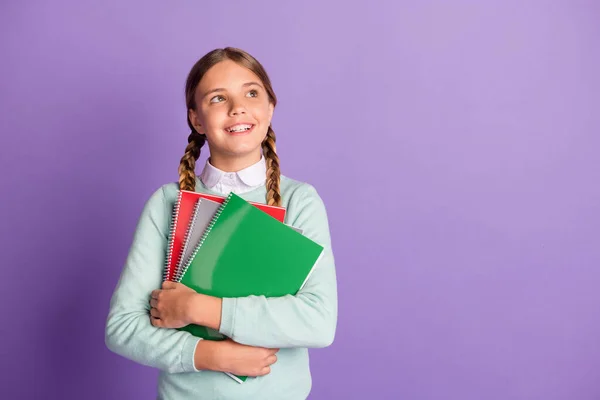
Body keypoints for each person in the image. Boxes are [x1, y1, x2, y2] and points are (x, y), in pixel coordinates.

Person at [105, 47, 338, 400]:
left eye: (251, 92)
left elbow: (318, 322)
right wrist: (211, 355)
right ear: (197, 119)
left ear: (270, 107)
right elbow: (123, 328)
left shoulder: (300, 201)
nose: (237, 107)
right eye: (217, 98)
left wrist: (199, 308)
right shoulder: (166, 203)